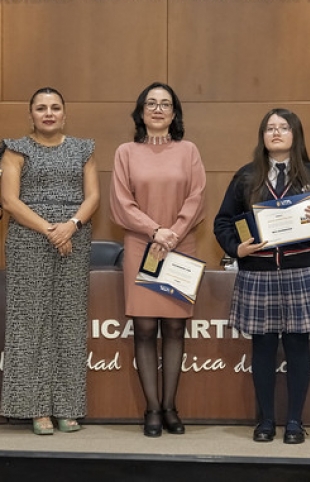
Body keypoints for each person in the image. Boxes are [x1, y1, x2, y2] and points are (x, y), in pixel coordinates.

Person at [0, 87, 100, 435]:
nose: (48, 113)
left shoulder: (83, 148)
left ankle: (67, 406)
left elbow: (94, 196)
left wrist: (70, 226)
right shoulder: (16, 149)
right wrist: (49, 229)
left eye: (55, 107)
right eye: (41, 108)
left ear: (64, 114)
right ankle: (35, 408)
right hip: (30, 240)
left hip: (74, 239)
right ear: (31, 115)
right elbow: (10, 201)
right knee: (30, 323)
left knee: (68, 323)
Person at [110, 82, 206, 437]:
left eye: (165, 104)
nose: (158, 109)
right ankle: (151, 409)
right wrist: (155, 231)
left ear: (174, 113)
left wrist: (173, 234)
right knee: (146, 328)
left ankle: (170, 407)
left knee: (175, 328)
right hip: (142, 247)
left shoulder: (189, 150)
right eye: (151, 103)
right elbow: (121, 203)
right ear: (140, 111)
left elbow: (196, 198)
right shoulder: (125, 152)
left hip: (180, 247)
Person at [214, 108, 310, 445]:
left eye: (284, 127)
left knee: (300, 348)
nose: (277, 132)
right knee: (263, 349)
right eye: (270, 128)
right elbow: (223, 221)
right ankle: (266, 421)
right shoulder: (246, 177)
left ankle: (296, 421)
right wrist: (236, 249)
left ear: (295, 134)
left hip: (302, 272)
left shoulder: (309, 175)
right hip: (258, 273)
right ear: (262, 136)